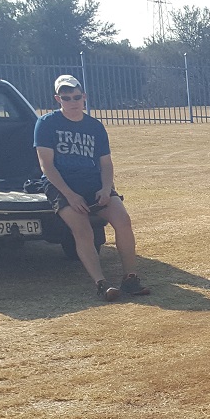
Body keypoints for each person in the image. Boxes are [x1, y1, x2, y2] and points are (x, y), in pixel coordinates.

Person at [34, 75, 147, 302]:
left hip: (93, 182)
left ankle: (130, 278)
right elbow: (47, 166)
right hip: (62, 185)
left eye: (76, 97)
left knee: (123, 221)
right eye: (66, 98)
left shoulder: (95, 127)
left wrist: (105, 189)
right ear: (58, 99)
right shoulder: (46, 124)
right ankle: (101, 284)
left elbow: (106, 164)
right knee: (83, 229)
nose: (72, 102)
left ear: (84, 97)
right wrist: (70, 196)